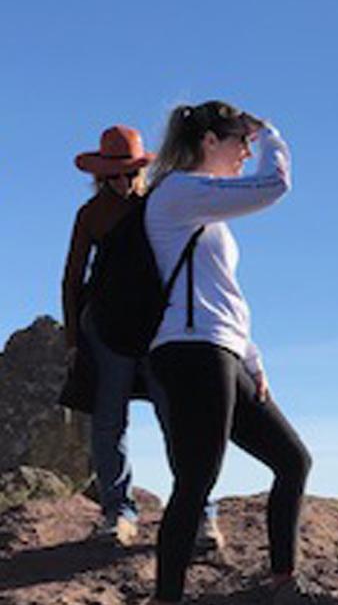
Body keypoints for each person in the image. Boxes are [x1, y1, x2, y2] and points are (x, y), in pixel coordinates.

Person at [143, 100, 313, 605]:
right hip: (191, 351)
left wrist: (253, 362)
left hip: (222, 350)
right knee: (196, 479)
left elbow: (222, 295)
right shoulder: (177, 191)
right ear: (210, 141)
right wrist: (273, 133)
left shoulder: (205, 205)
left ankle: (282, 588)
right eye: (240, 140)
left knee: (292, 460)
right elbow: (275, 185)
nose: (246, 150)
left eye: (250, 141)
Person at [63, 126, 224, 551]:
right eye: (112, 176)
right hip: (107, 327)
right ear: (100, 176)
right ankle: (118, 512)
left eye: (129, 173)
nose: (122, 182)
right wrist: (73, 339)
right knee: (108, 421)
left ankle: (200, 511)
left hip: (159, 326)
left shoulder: (159, 204)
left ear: (142, 171)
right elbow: (72, 278)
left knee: (178, 418)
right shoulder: (91, 214)